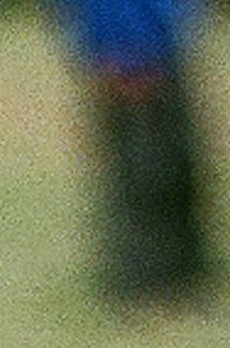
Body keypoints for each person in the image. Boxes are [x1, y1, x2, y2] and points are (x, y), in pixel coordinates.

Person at [60, 0, 216, 306]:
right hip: (123, 58)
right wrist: (118, 54)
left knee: (177, 169)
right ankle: (141, 282)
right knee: (139, 175)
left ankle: (186, 275)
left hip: (165, 52)